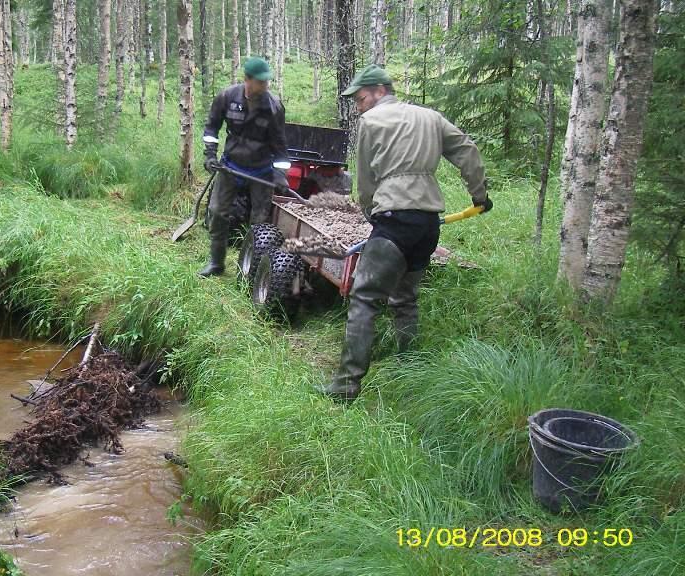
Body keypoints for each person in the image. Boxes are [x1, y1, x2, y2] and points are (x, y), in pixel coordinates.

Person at [319, 65, 493, 402]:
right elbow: (467, 151)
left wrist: (371, 213)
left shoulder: (371, 123)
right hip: (427, 225)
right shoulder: (431, 117)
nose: (359, 106)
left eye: (361, 98)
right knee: (406, 299)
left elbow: (367, 180)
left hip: (394, 221)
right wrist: (480, 196)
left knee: (364, 298)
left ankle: (345, 385)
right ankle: (408, 369)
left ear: (381, 91)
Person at [198, 57, 290, 277]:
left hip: (261, 171)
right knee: (217, 212)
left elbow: (280, 146)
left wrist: (279, 174)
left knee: (259, 222)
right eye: (261, 82)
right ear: (247, 80)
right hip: (231, 166)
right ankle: (216, 263)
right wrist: (210, 155)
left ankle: (250, 272)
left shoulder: (274, 107)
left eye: (267, 82)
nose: (266, 86)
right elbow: (211, 129)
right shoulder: (227, 97)